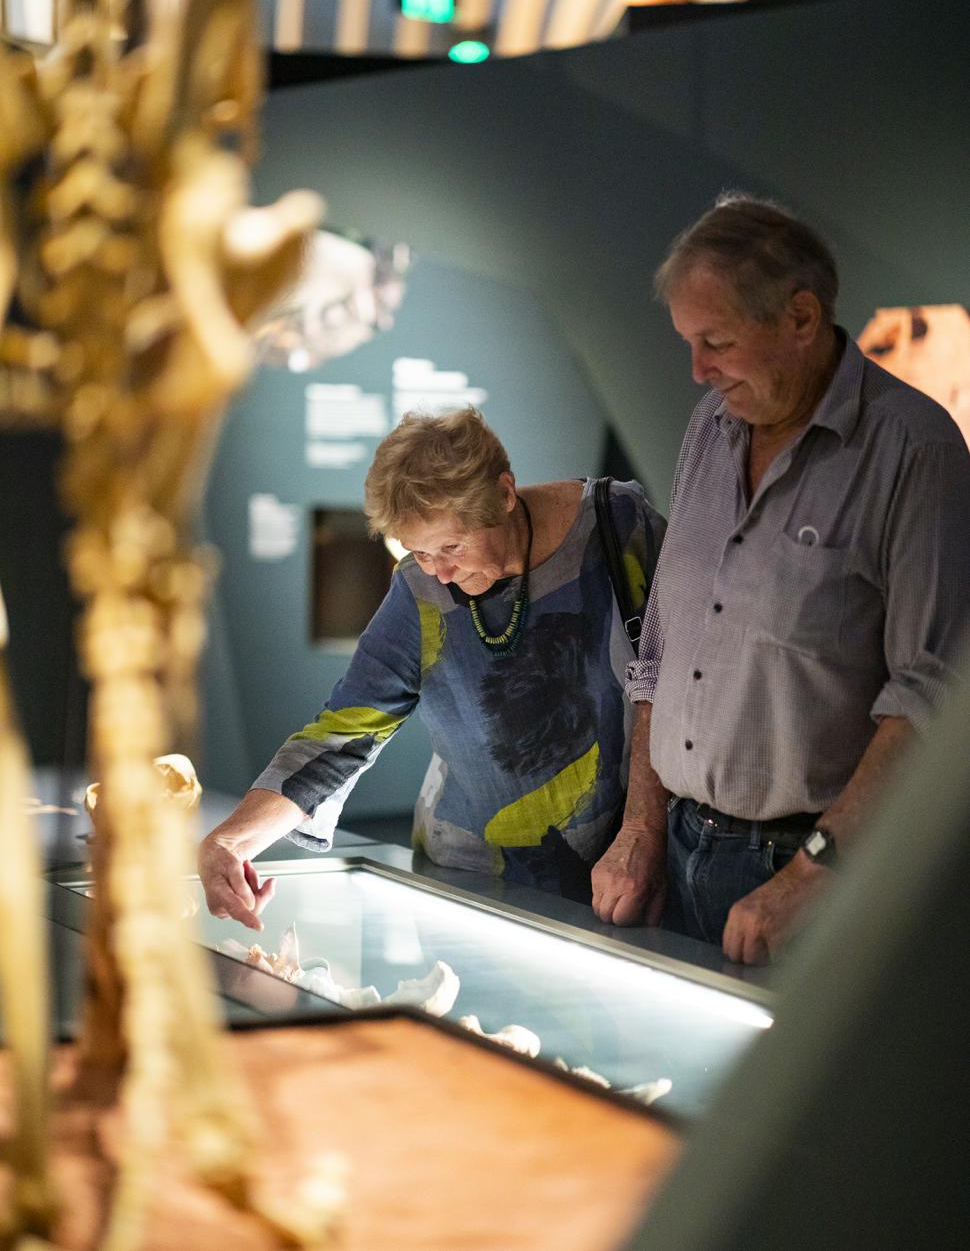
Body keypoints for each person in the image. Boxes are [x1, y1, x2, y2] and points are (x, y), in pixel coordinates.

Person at [591, 193, 970, 965]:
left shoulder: (915, 451)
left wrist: (814, 873)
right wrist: (641, 827)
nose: (698, 370)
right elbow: (661, 647)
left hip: (806, 878)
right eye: (688, 343)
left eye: (717, 342)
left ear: (801, 319)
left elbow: (929, 698)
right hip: (677, 848)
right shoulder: (712, 423)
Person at [200, 408, 665, 928]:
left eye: (451, 546)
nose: (439, 571)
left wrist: (644, 828)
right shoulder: (419, 589)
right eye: (418, 551)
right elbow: (343, 734)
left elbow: (677, 689)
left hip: (617, 870)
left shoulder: (617, 528)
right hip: (467, 873)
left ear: (505, 494)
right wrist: (233, 839)